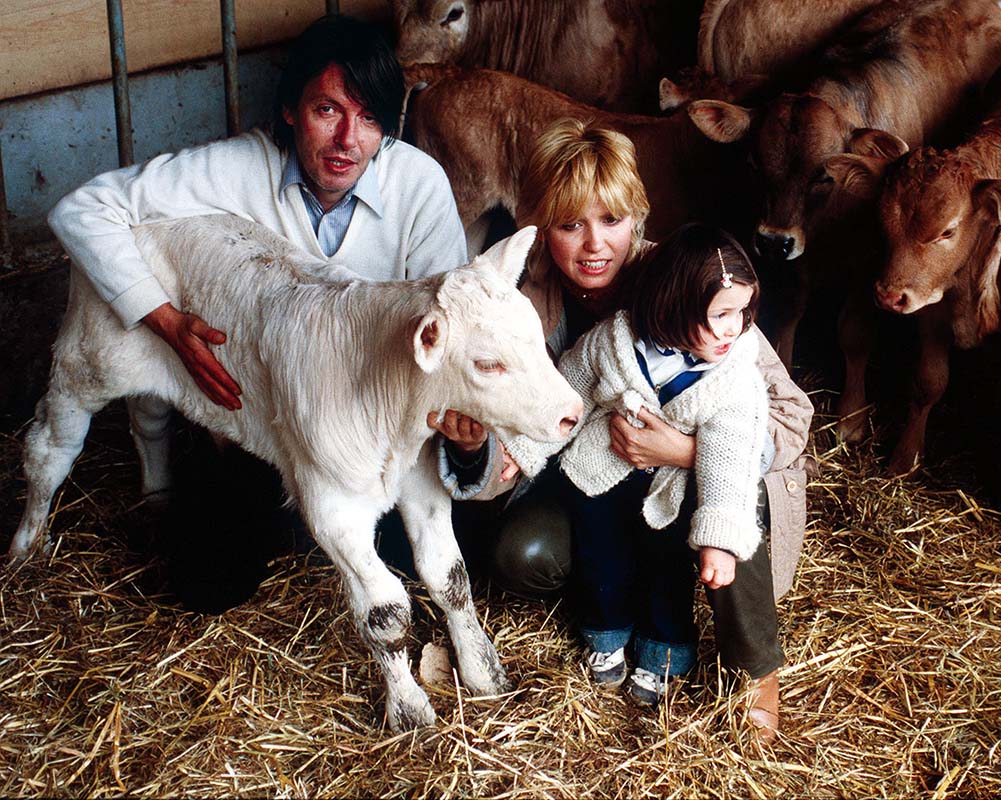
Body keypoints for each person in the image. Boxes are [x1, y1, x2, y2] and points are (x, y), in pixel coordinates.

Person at [48, 14, 468, 610]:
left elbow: (451, 320)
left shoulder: (418, 185)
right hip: (261, 431)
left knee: (439, 545)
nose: (349, 140)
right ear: (292, 110)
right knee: (205, 579)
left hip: (373, 440)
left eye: (370, 118)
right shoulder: (236, 168)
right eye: (328, 110)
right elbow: (82, 210)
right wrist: (162, 319)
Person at [432, 118, 814, 742]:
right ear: (539, 227)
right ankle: (609, 614)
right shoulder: (520, 301)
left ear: (637, 217)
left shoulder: (690, 281)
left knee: (726, 490)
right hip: (596, 478)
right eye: (569, 224)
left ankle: (753, 670)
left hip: (700, 472)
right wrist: (477, 449)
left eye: (611, 220)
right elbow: (525, 426)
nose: (593, 245)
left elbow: (789, 413)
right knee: (521, 554)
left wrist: (688, 451)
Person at [504, 222, 777, 711]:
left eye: (741, 312)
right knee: (602, 558)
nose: (733, 328)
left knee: (664, 571)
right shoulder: (615, 340)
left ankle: (664, 652)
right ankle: (605, 634)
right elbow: (571, 394)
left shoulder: (733, 377)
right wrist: (524, 450)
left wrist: (718, 539)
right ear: (672, 305)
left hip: (670, 494)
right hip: (601, 477)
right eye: (720, 315)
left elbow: (733, 458)